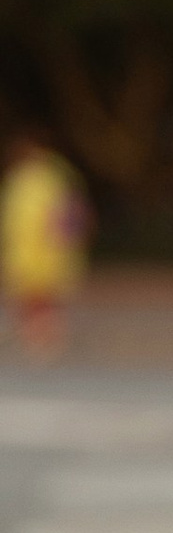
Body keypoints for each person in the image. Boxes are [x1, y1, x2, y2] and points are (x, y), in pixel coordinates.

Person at [2, 131, 91, 361]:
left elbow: (71, 214)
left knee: (42, 295)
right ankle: (38, 336)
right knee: (33, 295)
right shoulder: (37, 177)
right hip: (31, 249)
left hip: (45, 249)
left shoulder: (46, 177)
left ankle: (43, 337)